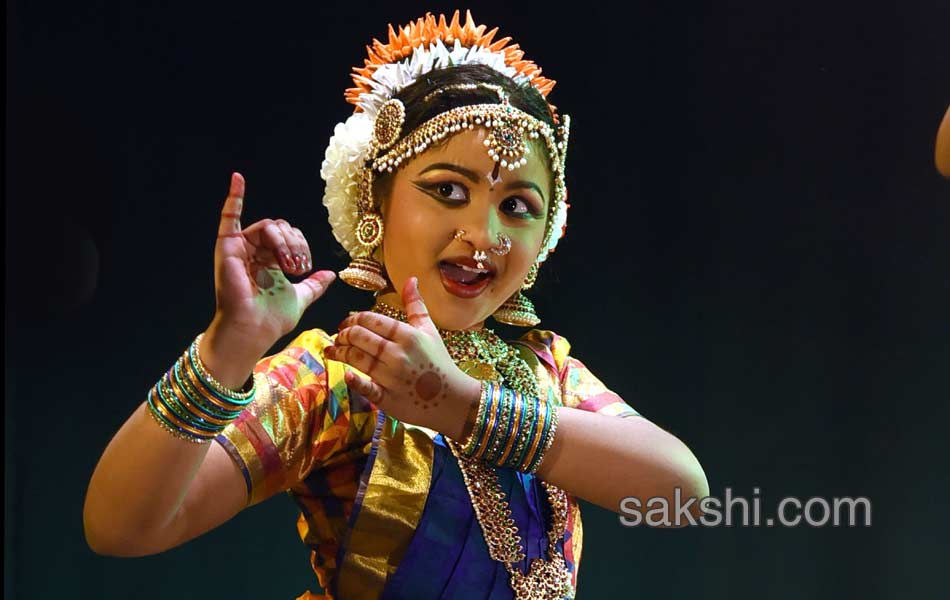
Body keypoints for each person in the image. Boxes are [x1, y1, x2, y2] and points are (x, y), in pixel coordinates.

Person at [83, 11, 709, 599]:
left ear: (546, 234)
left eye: (517, 206)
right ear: (375, 206)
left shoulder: (544, 371)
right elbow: (121, 529)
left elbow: (682, 494)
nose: (485, 235)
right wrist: (227, 349)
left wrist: (462, 405)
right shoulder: (343, 375)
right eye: (448, 191)